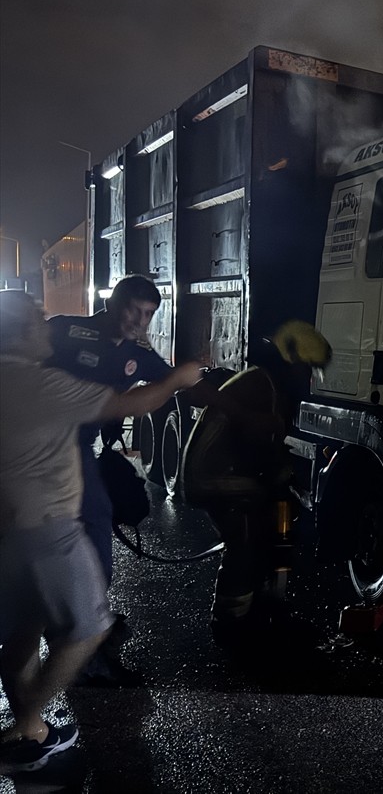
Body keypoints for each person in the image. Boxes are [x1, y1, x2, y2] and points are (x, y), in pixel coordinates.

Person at [0, 291, 202, 774]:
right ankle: (25, 725)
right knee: (89, 627)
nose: (46, 328)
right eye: (36, 322)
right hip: (47, 526)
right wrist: (180, 377)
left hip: (15, 523)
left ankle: (31, 731)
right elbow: (126, 404)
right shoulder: (40, 380)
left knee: (27, 625)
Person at [44, 274, 176, 686]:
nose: (139, 321)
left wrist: (233, 401)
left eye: (148, 314)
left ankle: (84, 632)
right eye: (133, 310)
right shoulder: (65, 331)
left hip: (79, 454)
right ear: (112, 303)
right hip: (42, 451)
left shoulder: (136, 352)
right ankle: (75, 640)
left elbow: (175, 381)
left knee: (95, 533)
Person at [180, 321, 332, 649]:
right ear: (290, 360)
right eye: (306, 368)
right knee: (247, 537)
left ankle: (265, 611)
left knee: (273, 531)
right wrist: (279, 478)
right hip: (214, 475)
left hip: (235, 473)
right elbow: (257, 440)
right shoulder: (261, 384)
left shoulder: (274, 385)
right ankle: (230, 625)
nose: (309, 378)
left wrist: (283, 481)